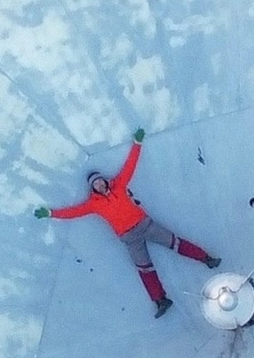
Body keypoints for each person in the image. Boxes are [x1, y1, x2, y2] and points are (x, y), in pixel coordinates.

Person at [36, 129, 220, 317]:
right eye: (95, 185)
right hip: (130, 238)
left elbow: (130, 165)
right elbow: (73, 212)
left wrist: (137, 144)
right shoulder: (93, 205)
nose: (99, 185)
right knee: (144, 269)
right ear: (93, 189)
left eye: (100, 181)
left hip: (146, 226)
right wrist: (51, 213)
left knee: (176, 243)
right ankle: (161, 300)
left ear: (104, 180)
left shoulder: (120, 184)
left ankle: (206, 258)